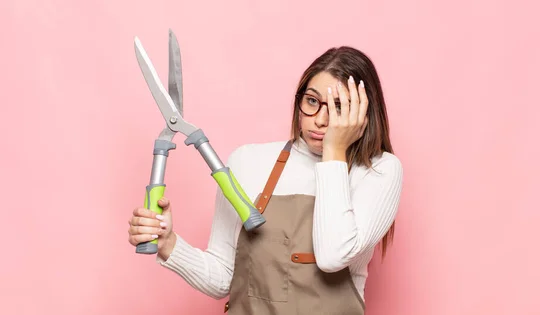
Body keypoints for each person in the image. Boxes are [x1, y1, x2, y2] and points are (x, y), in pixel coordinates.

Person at [127, 46, 404, 314]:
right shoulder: (248, 161)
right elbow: (224, 277)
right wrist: (168, 243)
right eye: (311, 101)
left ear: (362, 114)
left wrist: (334, 151)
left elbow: (332, 257)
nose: (320, 120)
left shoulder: (379, 171)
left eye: (337, 107)